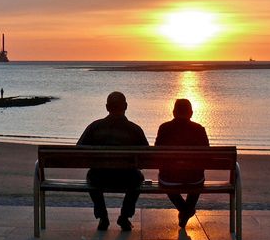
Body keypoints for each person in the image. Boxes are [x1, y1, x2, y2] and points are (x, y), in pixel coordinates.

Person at [76, 91, 149, 232]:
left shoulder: (95, 127)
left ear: (107, 107)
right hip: (127, 178)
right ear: (126, 106)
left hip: (100, 177)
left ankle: (103, 217)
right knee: (139, 178)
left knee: (91, 176)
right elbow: (145, 158)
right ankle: (125, 216)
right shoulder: (134, 130)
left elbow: (79, 150)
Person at [155, 98, 210, 229]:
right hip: (194, 179)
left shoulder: (164, 128)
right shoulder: (199, 129)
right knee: (196, 179)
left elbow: (156, 152)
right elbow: (207, 155)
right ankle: (187, 209)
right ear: (191, 113)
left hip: (169, 178)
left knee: (165, 180)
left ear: (174, 112)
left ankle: (185, 209)